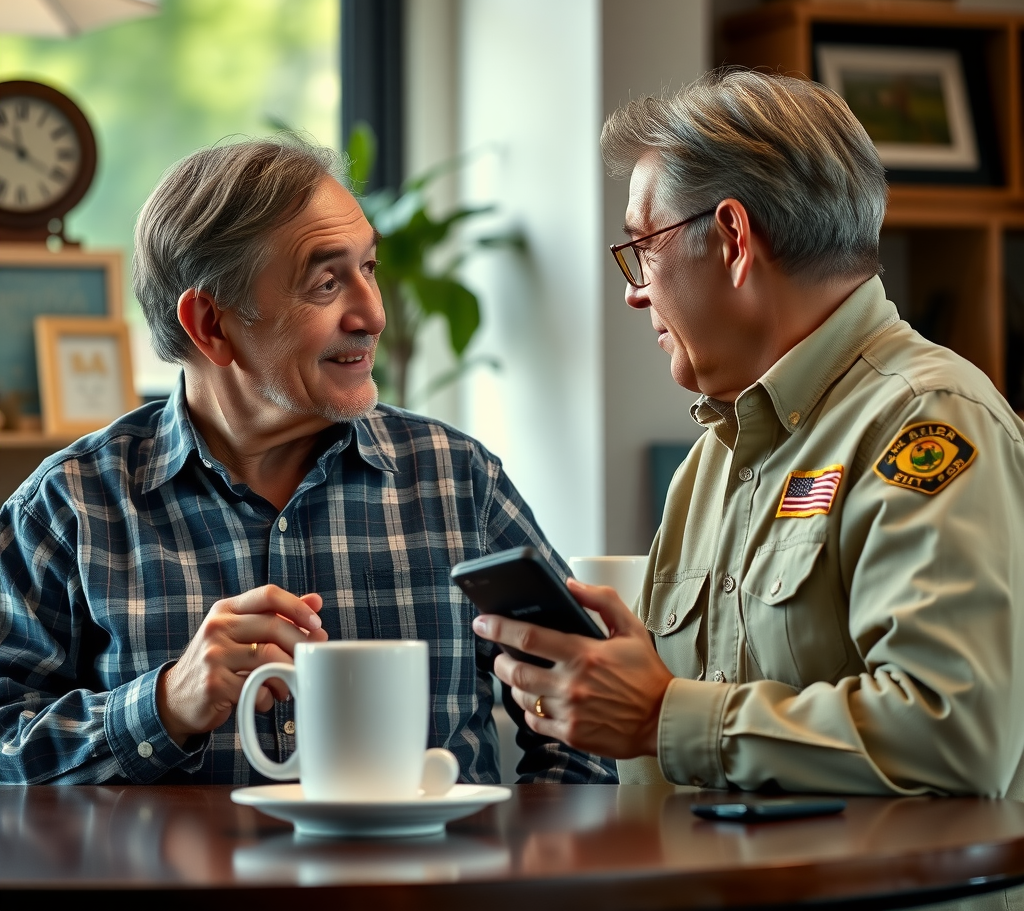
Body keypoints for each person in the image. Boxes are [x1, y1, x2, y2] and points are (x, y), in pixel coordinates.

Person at [475, 68, 1024, 801]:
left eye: (645, 245)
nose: (636, 290)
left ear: (732, 238)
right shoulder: (709, 463)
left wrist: (663, 714)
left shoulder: (931, 420)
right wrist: (608, 701)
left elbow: (955, 734)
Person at [0, 138, 614, 786]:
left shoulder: (459, 479)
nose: (373, 314)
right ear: (210, 324)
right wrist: (163, 705)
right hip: (176, 891)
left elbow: (588, 700)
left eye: (369, 268)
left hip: (430, 887)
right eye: (326, 282)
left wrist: (541, 863)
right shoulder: (70, 505)